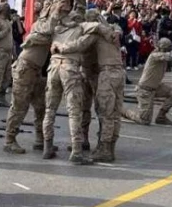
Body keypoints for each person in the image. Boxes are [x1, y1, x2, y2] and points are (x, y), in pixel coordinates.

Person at [51, 10, 124, 162]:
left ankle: (104, 149)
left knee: (105, 112)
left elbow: (79, 44)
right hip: (116, 73)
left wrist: (60, 47)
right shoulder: (111, 29)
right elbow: (117, 29)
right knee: (113, 112)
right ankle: (109, 147)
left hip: (104, 73)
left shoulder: (95, 33)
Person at [3, 2, 55, 155]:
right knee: (20, 105)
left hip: (37, 70)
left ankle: (40, 139)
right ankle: (9, 140)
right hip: (25, 68)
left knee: (41, 106)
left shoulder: (50, 26)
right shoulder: (42, 25)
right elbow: (49, 33)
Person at [42, 3, 91, 164]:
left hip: (53, 68)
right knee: (74, 111)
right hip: (69, 68)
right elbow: (95, 28)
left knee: (50, 109)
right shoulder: (81, 30)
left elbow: (47, 26)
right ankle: (76, 151)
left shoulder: (56, 30)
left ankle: (47, 146)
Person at [123, 36, 172, 126]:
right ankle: (123, 112)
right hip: (145, 90)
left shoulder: (165, 57)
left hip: (156, 87)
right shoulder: (155, 56)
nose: (168, 51)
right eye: (167, 50)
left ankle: (161, 116)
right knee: (144, 120)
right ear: (162, 49)